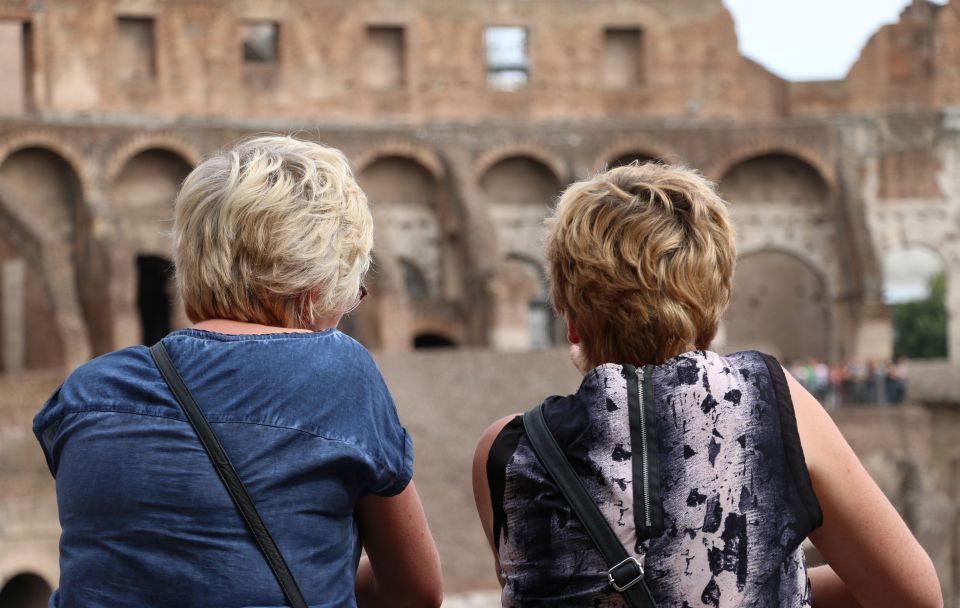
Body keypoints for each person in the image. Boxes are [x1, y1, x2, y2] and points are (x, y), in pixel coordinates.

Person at [472, 163, 942, 607]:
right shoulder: (766, 399)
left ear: (571, 321)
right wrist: (761, 577)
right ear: (712, 312)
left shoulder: (508, 450)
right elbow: (914, 594)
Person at [34, 136, 443, 607]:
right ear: (312, 290)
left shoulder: (84, 393)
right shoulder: (338, 372)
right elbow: (415, 592)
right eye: (350, 293)